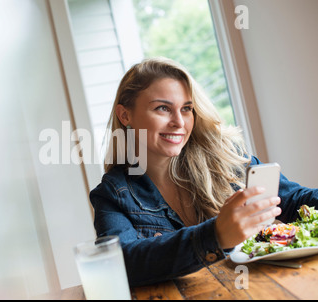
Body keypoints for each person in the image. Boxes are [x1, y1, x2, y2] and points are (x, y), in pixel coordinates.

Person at [89, 57, 318, 287]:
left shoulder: (226, 157)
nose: (179, 122)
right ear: (125, 115)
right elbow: (119, 263)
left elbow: (298, 201)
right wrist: (215, 235)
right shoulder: (113, 193)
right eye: (162, 108)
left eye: (187, 109)